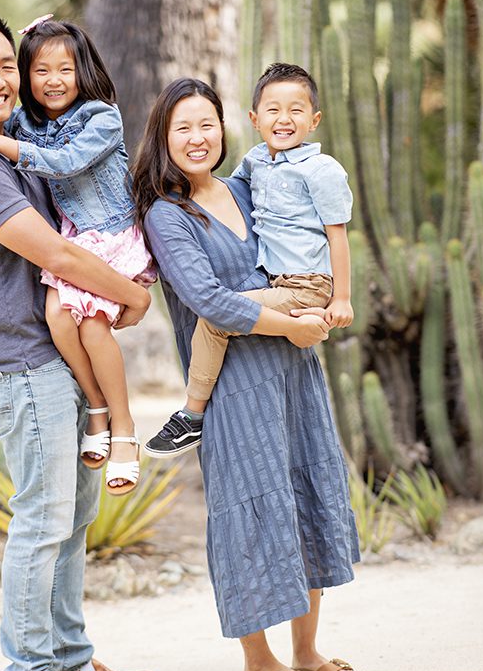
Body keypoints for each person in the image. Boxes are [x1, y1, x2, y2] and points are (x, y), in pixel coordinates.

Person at [0, 8, 156, 671]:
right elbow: (55, 254)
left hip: (52, 352)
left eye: (7, 66)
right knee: (43, 516)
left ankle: (67, 658)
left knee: (73, 515)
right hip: (21, 360)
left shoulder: (2, 138)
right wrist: (132, 296)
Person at [131, 78, 359, 671]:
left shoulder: (245, 187)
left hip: (293, 372)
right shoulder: (167, 215)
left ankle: (306, 651)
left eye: (207, 124)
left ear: (225, 128)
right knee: (251, 509)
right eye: (184, 128)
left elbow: (302, 246)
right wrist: (295, 323)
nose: (198, 138)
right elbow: (208, 301)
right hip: (233, 387)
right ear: (164, 138)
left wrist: (325, 304)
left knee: (304, 492)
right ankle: (259, 665)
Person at [0, 15, 154, 495]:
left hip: (112, 237)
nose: (54, 81)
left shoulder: (98, 117)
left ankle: (124, 427)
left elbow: (67, 161)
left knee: (91, 324)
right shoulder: (14, 130)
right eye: (41, 71)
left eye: (65, 70)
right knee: (60, 316)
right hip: (73, 252)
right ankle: (99, 407)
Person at [146, 62, 353, 458]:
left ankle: (191, 415)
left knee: (215, 323)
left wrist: (340, 298)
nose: (285, 119)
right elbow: (208, 292)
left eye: (297, 110)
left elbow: (336, 235)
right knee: (218, 315)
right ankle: (195, 412)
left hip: (305, 284)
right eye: (273, 110)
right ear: (254, 119)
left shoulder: (322, 170)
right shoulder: (255, 165)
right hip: (283, 289)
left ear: (315, 119)